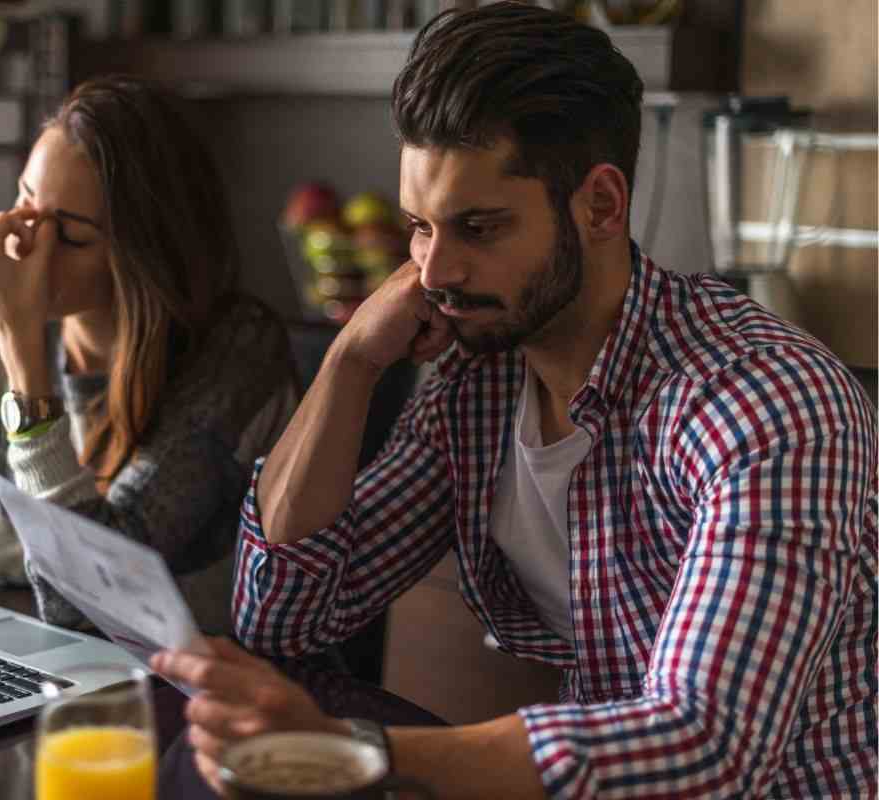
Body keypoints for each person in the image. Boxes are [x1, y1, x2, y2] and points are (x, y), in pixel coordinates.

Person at [152, 4, 878, 797]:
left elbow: (703, 741)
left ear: (600, 206)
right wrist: (353, 360)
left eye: (480, 227)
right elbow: (284, 615)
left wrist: (356, 750)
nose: (434, 273)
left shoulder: (765, 402)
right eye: (419, 228)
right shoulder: (481, 384)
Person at [0, 76, 300, 635]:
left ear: (146, 253)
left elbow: (88, 600)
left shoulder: (235, 354)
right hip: (65, 658)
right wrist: (19, 554)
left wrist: (22, 357)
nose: (25, 247)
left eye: (70, 237)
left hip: (192, 688)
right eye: (24, 202)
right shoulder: (5, 332)